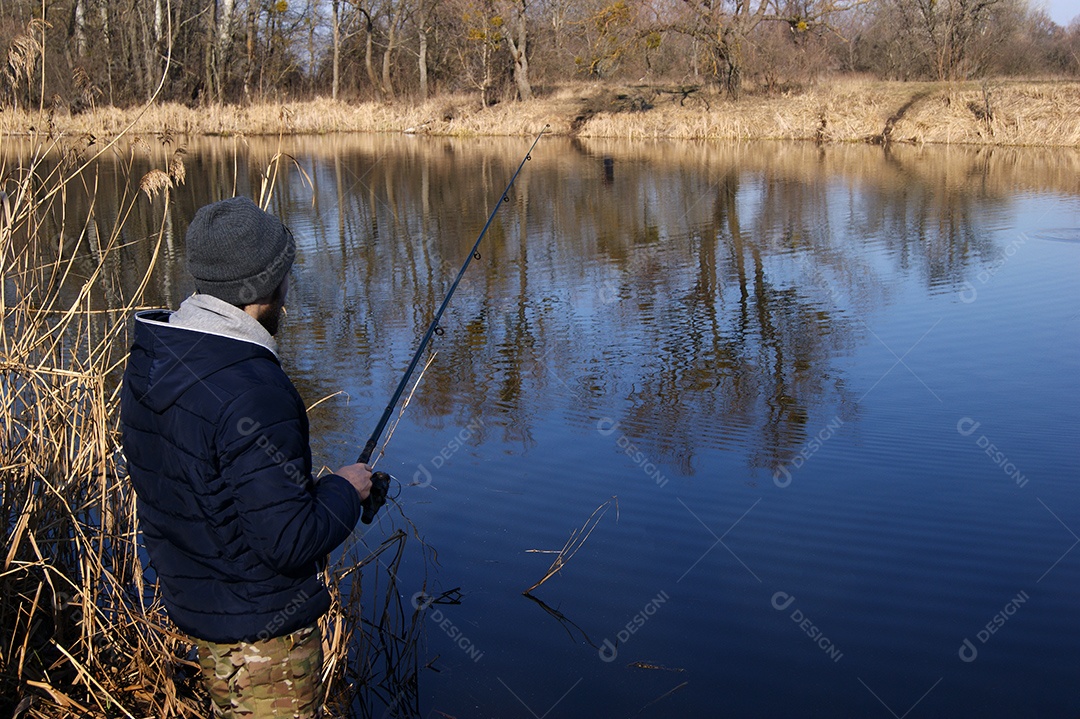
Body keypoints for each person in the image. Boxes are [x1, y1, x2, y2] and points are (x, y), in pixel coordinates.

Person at [120, 196, 373, 718]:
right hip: (264, 646)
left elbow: (206, 490)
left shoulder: (156, 356)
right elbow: (288, 540)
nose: (288, 292)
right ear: (266, 285)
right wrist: (346, 489)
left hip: (205, 619)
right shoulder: (254, 389)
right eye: (285, 276)